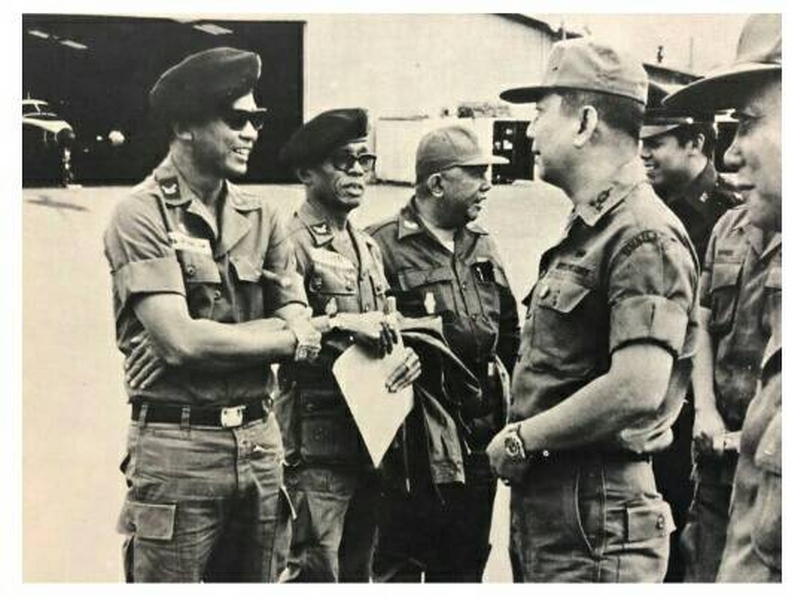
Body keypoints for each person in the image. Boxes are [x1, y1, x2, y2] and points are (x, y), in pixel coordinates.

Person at [103, 47, 322, 582]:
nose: (251, 133)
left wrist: (214, 338)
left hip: (260, 440)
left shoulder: (262, 215)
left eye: (256, 120)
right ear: (184, 126)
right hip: (179, 449)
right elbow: (181, 343)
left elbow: (302, 319)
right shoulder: (140, 214)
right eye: (236, 119)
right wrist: (282, 335)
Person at [490, 37, 699, 582]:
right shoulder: (594, 228)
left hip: (597, 513)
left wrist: (523, 437)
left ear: (585, 122)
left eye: (541, 114)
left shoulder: (643, 234)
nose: (530, 132)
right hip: (565, 511)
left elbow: (638, 387)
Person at [366, 125, 520, 582]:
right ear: (437, 183)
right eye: (475, 175)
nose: (487, 186)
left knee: (464, 566)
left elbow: (509, 331)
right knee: (399, 566)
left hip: (477, 439)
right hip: (412, 447)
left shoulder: (483, 244)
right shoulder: (380, 246)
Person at [274, 108, 421, 582]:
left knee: (360, 570)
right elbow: (275, 333)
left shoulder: (367, 246)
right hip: (316, 441)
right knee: (314, 570)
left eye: (364, 160)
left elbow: (386, 324)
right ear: (306, 173)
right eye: (343, 161)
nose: (358, 172)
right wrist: (342, 323)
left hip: (369, 432)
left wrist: (406, 356)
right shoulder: (290, 243)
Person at [664, 13, 782, 582]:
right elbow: (703, 321)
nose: (729, 155)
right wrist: (707, 412)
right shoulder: (731, 228)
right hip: (720, 453)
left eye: (748, 123)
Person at [639, 81, 741, 582]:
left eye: (655, 143)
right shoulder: (646, 209)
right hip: (652, 409)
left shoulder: (730, 215)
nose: (643, 155)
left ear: (695, 143)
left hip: (704, 421)